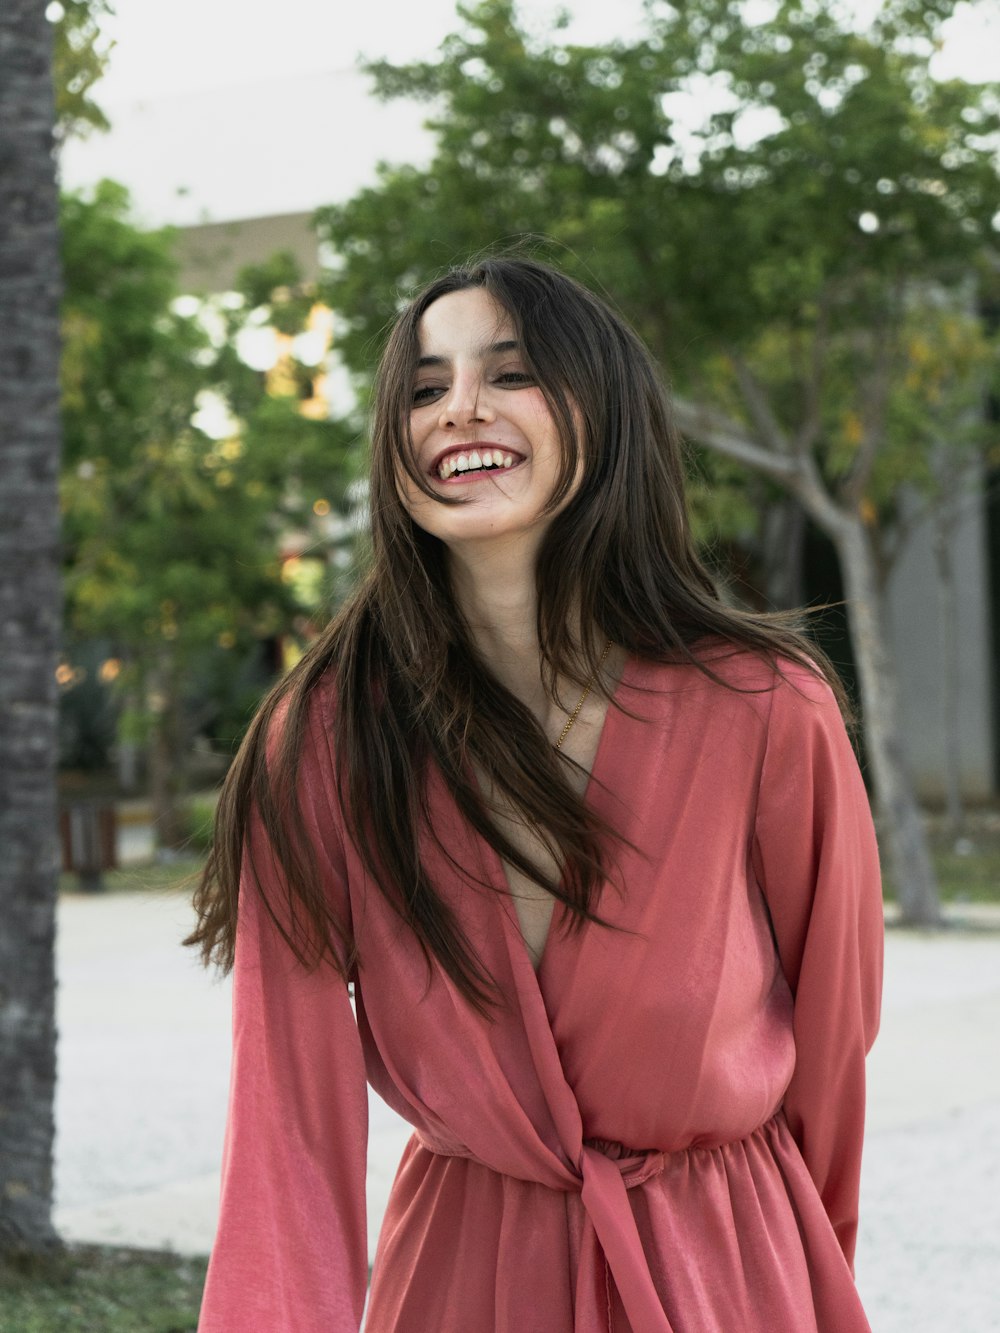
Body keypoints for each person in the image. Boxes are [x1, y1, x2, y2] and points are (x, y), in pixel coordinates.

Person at [189, 255, 883, 1332]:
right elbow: (284, 1128)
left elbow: (832, 1055)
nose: (456, 408)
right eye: (423, 388)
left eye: (506, 373)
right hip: (460, 1281)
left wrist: (799, 1269)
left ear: (600, 414)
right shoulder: (323, 736)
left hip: (725, 1272)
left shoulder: (762, 705)